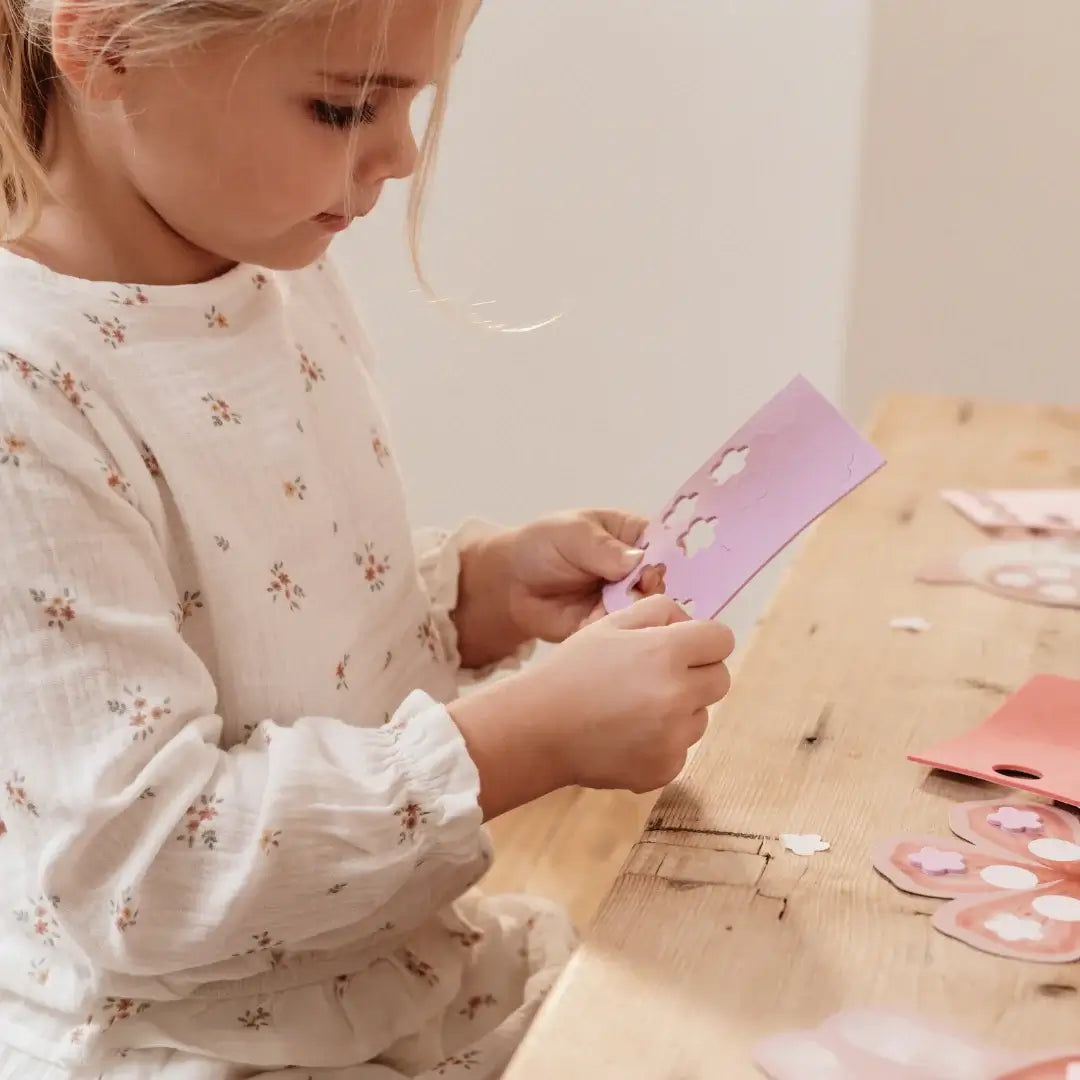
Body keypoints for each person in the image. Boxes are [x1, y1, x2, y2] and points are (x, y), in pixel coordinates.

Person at [0, 0, 736, 1075]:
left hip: (386, 978)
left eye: (412, 102)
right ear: (105, 49)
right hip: (176, 1046)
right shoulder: (29, 393)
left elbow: (277, 611)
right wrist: (521, 743)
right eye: (345, 106)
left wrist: (474, 596)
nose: (399, 155)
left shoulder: (273, 271)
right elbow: (141, 877)